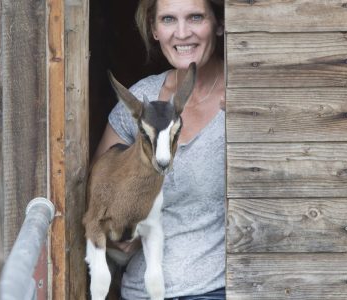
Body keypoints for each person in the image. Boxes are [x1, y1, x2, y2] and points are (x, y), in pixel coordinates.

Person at [93, 0, 226, 299]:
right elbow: (97, 191)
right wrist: (116, 233)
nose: (182, 33)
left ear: (219, 24)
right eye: (168, 20)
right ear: (153, 29)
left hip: (214, 289)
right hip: (139, 291)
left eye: (195, 17)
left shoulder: (242, 96)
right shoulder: (139, 99)